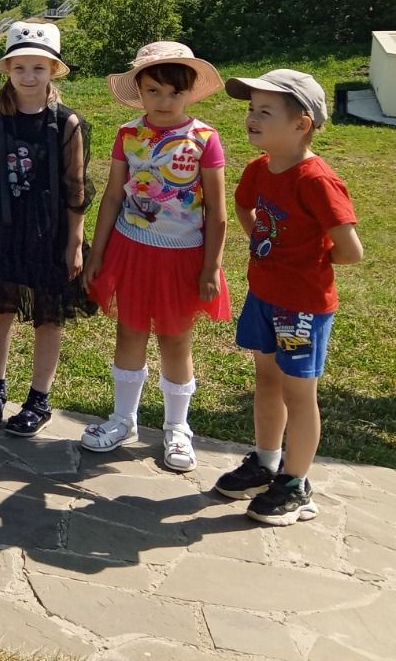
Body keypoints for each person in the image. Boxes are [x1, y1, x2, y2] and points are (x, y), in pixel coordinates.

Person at [214, 70, 361, 526]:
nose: (251, 119)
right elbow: (243, 207)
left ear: (302, 123)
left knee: (299, 395)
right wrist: (264, 245)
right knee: (267, 382)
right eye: (250, 110)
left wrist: (305, 266)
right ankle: (266, 463)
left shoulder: (316, 180)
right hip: (264, 297)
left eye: (264, 112)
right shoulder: (259, 168)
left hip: (301, 310)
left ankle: (296, 483)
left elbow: (350, 250)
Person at [80, 42, 230, 471]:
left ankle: (176, 427)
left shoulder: (204, 139)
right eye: (153, 91)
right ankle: (122, 419)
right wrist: (98, 253)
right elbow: (112, 197)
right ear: (139, 92)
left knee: (175, 339)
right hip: (131, 251)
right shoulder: (129, 135)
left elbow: (217, 212)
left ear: (189, 94)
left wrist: (211, 266)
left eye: (174, 93)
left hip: (183, 257)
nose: (164, 102)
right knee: (129, 333)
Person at [0, 21, 94, 436]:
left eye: (39, 67)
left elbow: (77, 188)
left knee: (47, 316)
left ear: (52, 70)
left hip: (48, 232)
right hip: (2, 228)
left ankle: (39, 397)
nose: (29, 76)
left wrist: (74, 243)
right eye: (21, 68)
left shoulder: (67, 123)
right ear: (8, 70)